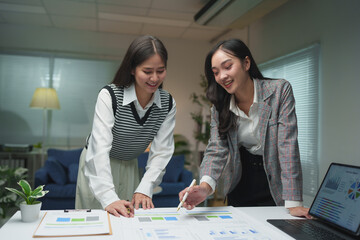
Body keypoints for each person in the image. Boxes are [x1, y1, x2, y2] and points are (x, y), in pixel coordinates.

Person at [179, 39, 310, 218]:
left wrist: (294, 202)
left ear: (246, 63)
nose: (222, 76)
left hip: (274, 183)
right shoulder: (220, 106)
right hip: (240, 181)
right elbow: (216, 150)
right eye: (216, 72)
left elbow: (287, 148)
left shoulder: (279, 91)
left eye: (227, 67)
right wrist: (204, 188)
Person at [75, 35, 176, 218]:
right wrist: (108, 197)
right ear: (132, 69)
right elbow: (99, 149)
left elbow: (162, 151)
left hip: (129, 165)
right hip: (99, 165)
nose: (155, 78)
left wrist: (146, 187)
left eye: (160, 70)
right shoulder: (110, 96)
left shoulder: (168, 104)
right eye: (147, 71)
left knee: (128, 222)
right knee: (96, 222)